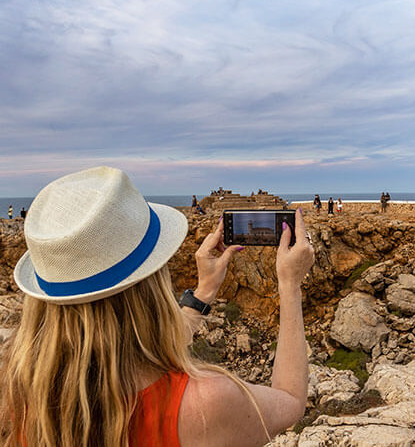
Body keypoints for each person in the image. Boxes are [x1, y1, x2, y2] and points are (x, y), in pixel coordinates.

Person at [0, 166, 314, 447]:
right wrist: (289, 285)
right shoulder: (204, 406)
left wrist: (203, 293)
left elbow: (131, 348)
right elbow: (289, 401)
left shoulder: (16, 387)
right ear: (152, 277)